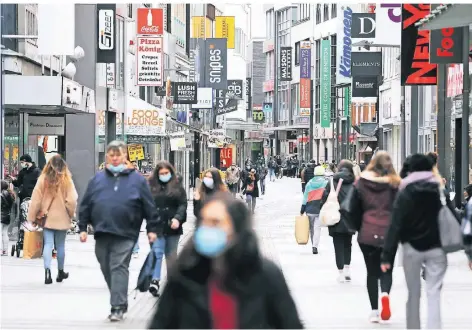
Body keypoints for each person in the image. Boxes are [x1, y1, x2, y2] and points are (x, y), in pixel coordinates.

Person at [149, 193, 303, 329]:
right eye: (204, 222)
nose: (208, 228)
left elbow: (290, 323)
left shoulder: (265, 274)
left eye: (216, 223)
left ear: (236, 229)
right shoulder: (184, 274)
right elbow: (161, 323)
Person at [78, 141, 160, 322]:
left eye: (119, 155)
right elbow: (86, 204)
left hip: (126, 232)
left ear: (125, 157)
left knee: (118, 267)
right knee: (106, 267)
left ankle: (117, 306)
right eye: (112, 155)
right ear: (107, 157)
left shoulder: (137, 180)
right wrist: (82, 227)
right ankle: (119, 297)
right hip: (102, 232)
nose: (115, 158)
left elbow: (149, 206)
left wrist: (152, 229)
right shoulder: (97, 179)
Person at [381, 154, 458, 329]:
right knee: (434, 293)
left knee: (413, 293)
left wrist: (387, 256)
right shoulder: (439, 191)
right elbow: (454, 218)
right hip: (437, 248)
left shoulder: (405, 192)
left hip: (411, 249)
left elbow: (395, 225)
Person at [342, 151, 400, 323]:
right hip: (389, 234)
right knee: (386, 268)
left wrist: (359, 227)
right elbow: (401, 209)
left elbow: (351, 208)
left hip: (367, 232)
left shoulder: (361, 183)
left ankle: (374, 311)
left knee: (371, 272)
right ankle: (385, 295)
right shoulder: (395, 184)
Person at [26, 155, 78, 284]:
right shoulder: (67, 180)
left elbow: (36, 199)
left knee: (48, 244)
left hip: (47, 217)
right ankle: (60, 272)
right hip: (62, 217)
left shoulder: (43, 179)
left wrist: (32, 217)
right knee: (60, 245)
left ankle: (47, 272)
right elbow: (72, 200)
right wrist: (71, 214)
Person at [147, 161, 188, 297]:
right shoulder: (152, 187)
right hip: (156, 226)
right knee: (157, 253)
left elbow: (182, 205)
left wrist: (177, 218)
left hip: (172, 226)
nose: (164, 175)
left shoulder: (177, 187)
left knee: (171, 255)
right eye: (161, 173)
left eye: (166, 173)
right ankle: (155, 280)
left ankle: (172, 284)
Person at [320, 160, 356, 283]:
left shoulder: (332, 182)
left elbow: (324, 198)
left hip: (335, 217)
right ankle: (347, 270)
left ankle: (341, 273)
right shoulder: (355, 183)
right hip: (350, 218)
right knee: (348, 244)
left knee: (338, 246)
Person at [300, 166, 328, 255]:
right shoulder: (326, 183)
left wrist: (302, 208)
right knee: (317, 228)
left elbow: (305, 197)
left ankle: (313, 244)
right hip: (320, 208)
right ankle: (315, 246)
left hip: (310, 208)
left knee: (311, 228)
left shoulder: (309, 183)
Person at [1, 180, 15, 256]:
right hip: (7, 216)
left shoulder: (1, 194)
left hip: (1, 216)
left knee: (0, 234)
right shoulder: (10, 194)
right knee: (4, 233)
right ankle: (5, 251)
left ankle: (0, 250)